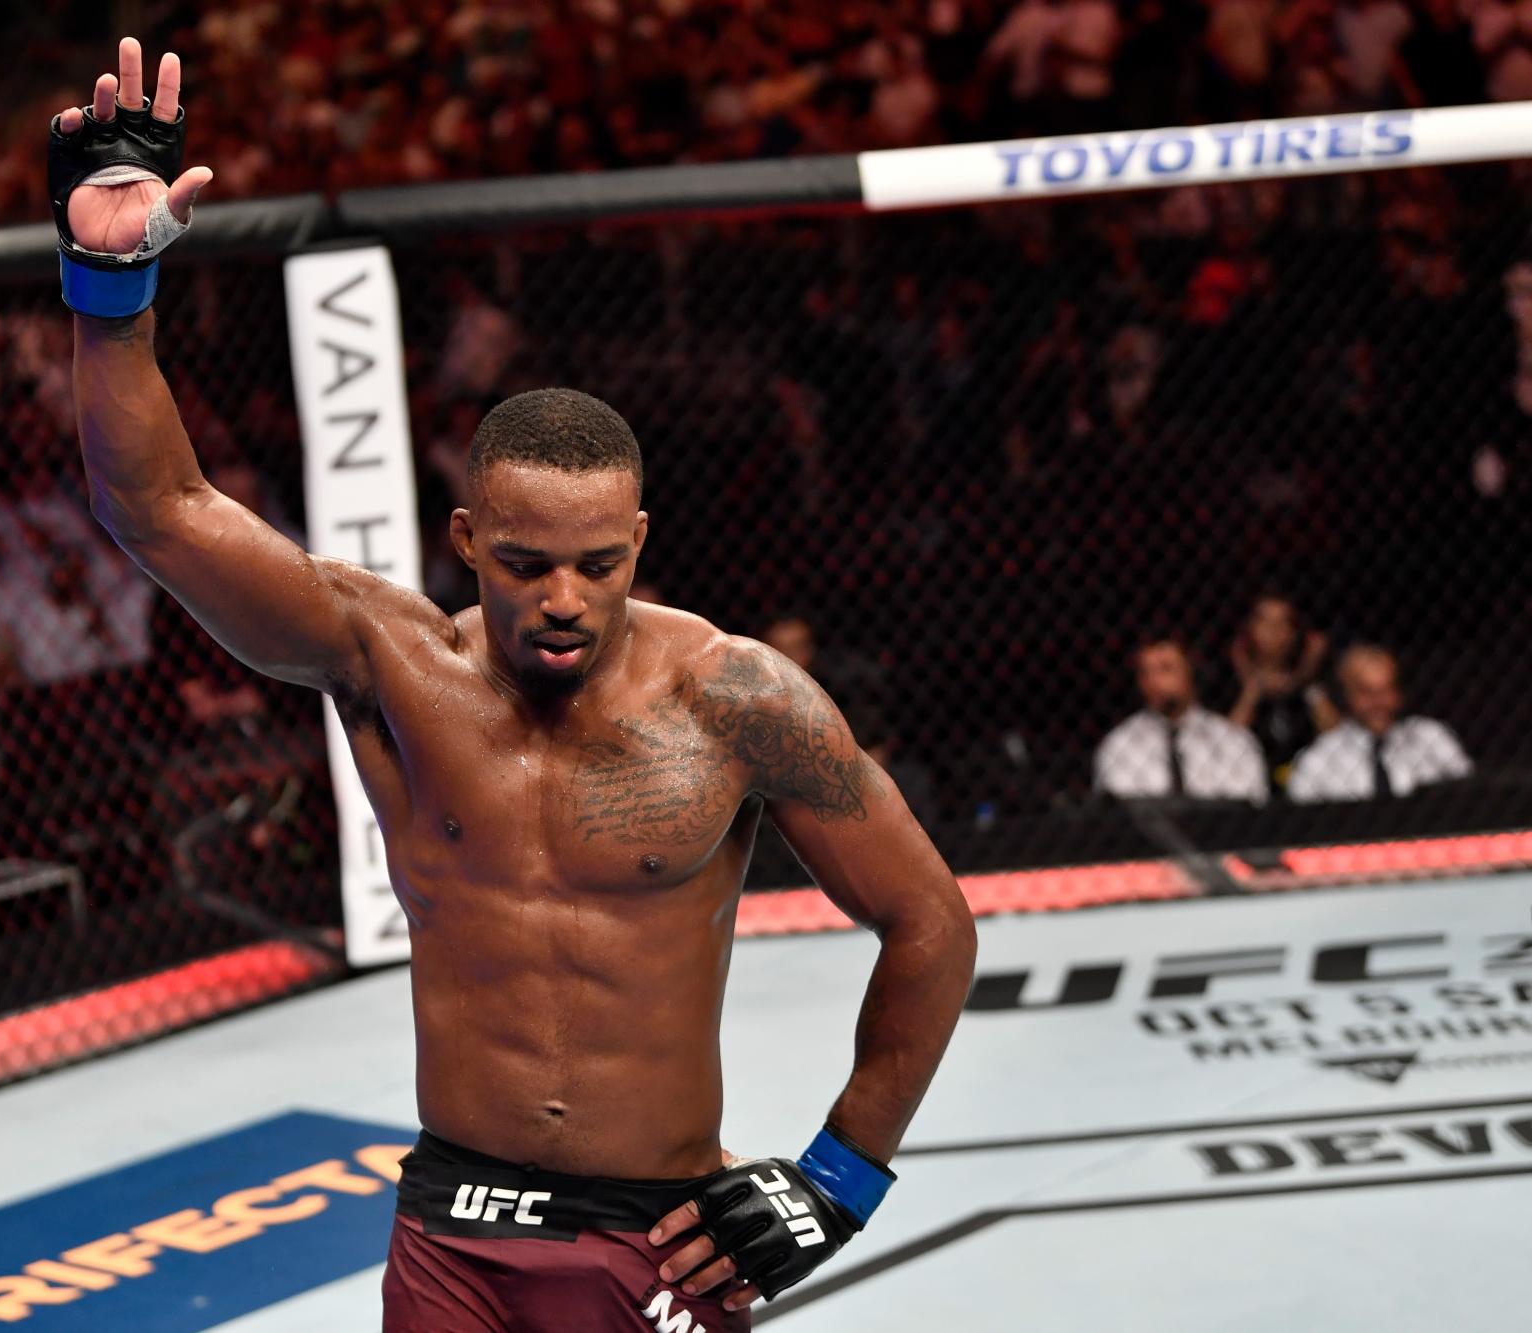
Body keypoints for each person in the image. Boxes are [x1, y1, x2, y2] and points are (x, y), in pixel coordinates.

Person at [54, 39, 976, 1327]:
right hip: (452, 1226)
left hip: (660, 1235)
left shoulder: (736, 699)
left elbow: (929, 922)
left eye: (598, 565)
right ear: (468, 540)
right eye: (529, 563)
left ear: (637, 543)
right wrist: (108, 289)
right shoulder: (387, 662)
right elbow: (157, 506)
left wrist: (837, 1178)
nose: (563, 599)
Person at [1287, 645, 1473, 802]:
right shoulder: (1318, 759)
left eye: (1386, 690)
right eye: (1367, 692)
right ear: (1345, 696)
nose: (1379, 702)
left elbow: (1470, 797)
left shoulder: (1432, 738)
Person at [1094, 635, 1268, 803]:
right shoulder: (1120, 745)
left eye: (1165, 668)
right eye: (1145, 673)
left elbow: (1250, 804)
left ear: (1189, 670)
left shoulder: (1233, 741)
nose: (1153, 681)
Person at [1226, 593, 1340, 793]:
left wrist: (1305, 674)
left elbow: (1339, 737)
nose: (1273, 630)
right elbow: (1226, 742)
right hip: (1248, 786)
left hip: (1309, 786)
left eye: (1282, 623)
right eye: (1264, 621)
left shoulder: (1312, 683)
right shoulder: (1228, 681)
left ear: (1294, 633)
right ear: (1249, 628)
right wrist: (1252, 688)